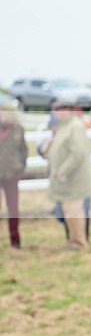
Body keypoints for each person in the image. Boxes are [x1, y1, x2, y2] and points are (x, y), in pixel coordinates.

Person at [43, 100, 91, 250]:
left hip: (74, 179)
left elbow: (77, 153)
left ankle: (79, 243)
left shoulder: (75, 126)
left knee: (75, 212)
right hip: (65, 181)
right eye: (56, 110)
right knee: (68, 212)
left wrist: (63, 171)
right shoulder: (63, 127)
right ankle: (73, 241)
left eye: (61, 109)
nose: (57, 113)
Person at [0, 103, 27, 249]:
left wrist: (20, 170)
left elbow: (23, 151)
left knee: (13, 209)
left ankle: (15, 240)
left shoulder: (18, 129)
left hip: (12, 175)